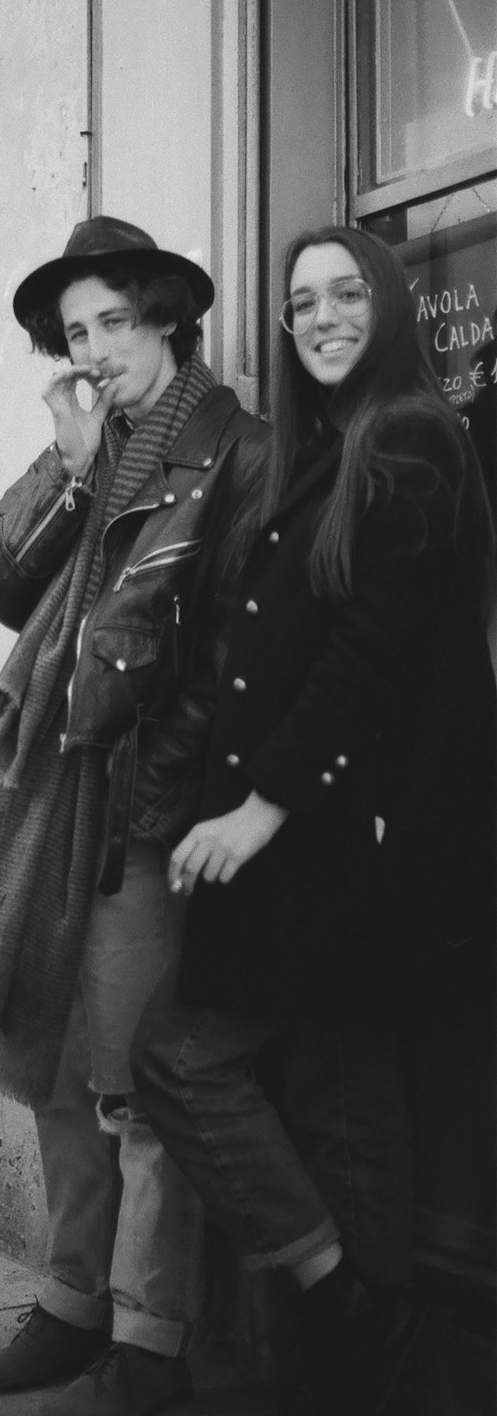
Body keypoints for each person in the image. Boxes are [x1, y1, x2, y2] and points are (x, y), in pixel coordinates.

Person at [130, 224, 497, 1415]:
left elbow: (370, 655)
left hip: (352, 836)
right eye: (302, 302)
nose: (324, 315)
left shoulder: (411, 437)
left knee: (189, 1062)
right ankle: (360, 1348)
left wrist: (256, 806)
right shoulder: (327, 446)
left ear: (386, 306)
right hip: (329, 833)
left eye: (347, 293)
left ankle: (353, 1315)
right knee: (339, 1096)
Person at [0, 217, 266, 1415]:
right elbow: (1, 581)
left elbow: (237, 650)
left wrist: (153, 788)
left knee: (136, 1090)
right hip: (54, 808)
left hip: (138, 810)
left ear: (169, 319)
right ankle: (74, 1303)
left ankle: (148, 1342)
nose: (95, 349)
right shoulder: (103, 445)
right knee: (57, 1069)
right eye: (77, 333)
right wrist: (72, 465)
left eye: (114, 322)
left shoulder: (236, 451)